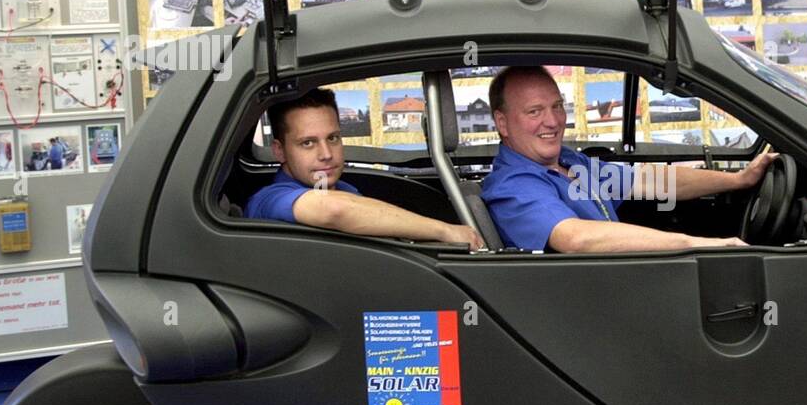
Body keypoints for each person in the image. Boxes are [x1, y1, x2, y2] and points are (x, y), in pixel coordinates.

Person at [481, 66, 775, 253]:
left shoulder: (569, 162)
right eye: (534, 112)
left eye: (557, 106)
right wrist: (694, 245)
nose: (553, 121)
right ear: (503, 123)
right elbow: (574, 238)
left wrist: (738, 180)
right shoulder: (513, 185)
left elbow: (652, 181)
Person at [245, 88, 483, 251]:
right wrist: (444, 231)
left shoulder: (346, 189)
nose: (326, 154)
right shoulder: (269, 200)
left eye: (333, 138)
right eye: (307, 143)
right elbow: (334, 210)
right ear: (279, 150)